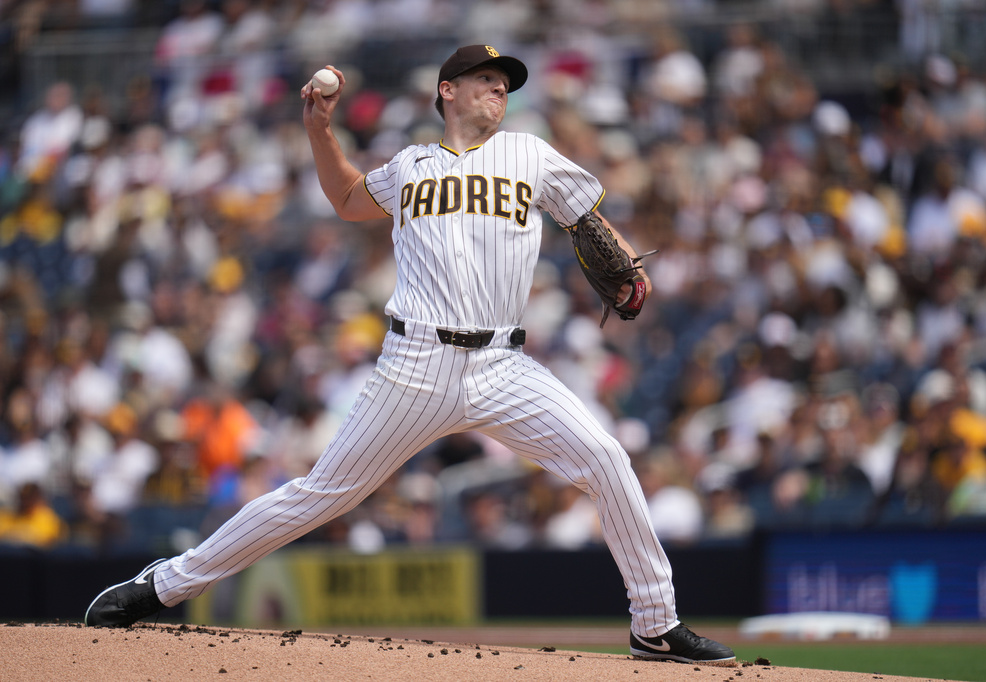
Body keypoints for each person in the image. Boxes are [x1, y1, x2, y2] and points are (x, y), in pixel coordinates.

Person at [84, 44, 735, 665]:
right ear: (447, 91)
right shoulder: (408, 167)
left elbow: (586, 219)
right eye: (486, 79)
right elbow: (343, 198)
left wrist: (625, 265)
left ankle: (655, 625)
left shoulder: (529, 155)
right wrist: (320, 130)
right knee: (319, 496)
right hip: (415, 365)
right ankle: (165, 586)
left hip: (503, 367)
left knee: (606, 458)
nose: (499, 88)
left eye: (505, 82)